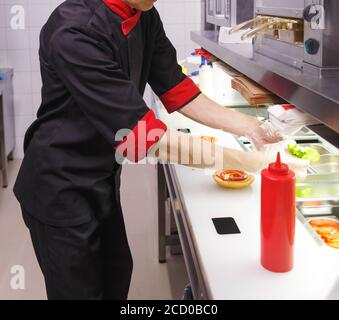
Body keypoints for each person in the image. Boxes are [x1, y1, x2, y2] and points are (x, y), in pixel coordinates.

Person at [14, 0, 308, 300]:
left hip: (101, 177)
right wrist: (251, 162)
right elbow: (143, 138)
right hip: (59, 184)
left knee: (116, 273)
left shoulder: (143, 14)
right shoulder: (74, 30)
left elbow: (175, 87)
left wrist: (251, 127)